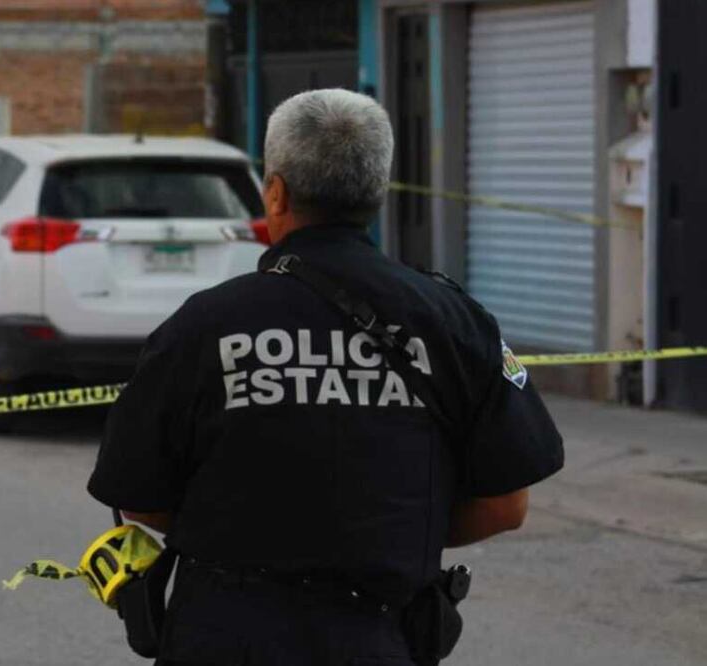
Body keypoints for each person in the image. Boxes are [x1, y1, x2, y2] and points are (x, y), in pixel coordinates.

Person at [87, 89, 564, 665]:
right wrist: (382, 539)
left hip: (223, 636)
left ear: (277, 192)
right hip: (379, 638)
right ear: (377, 193)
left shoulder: (203, 324)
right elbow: (505, 505)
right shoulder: (454, 320)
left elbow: (138, 501)